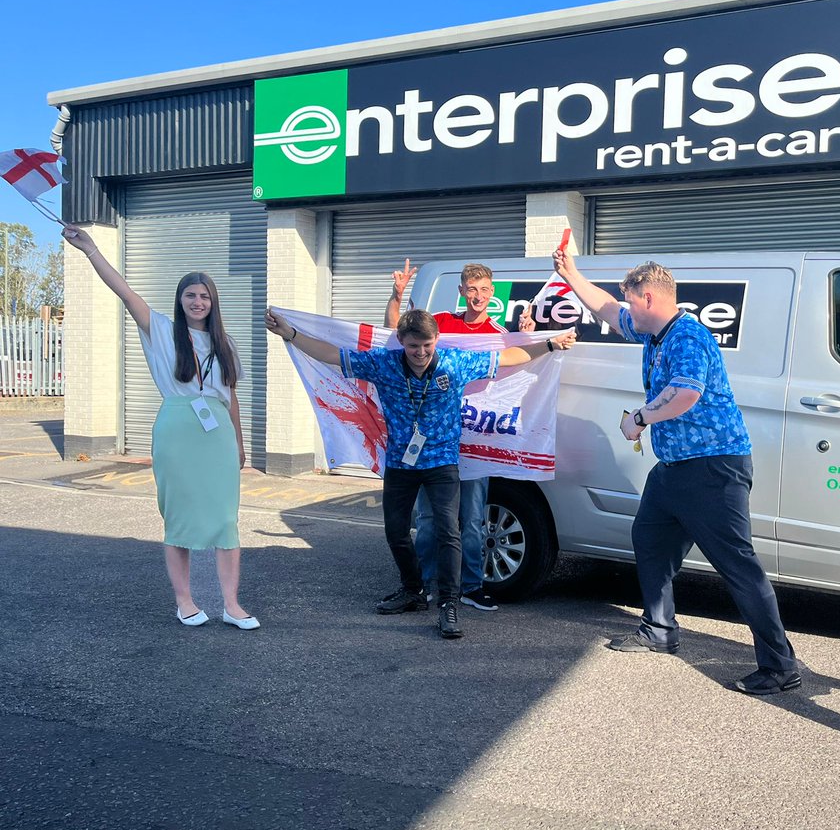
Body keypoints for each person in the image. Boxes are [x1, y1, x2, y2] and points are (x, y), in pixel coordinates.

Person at [553, 251, 800, 695]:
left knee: (738, 565)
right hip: (675, 469)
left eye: (631, 302)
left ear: (648, 297)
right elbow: (606, 309)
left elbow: (686, 393)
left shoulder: (687, 337)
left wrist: (640, 419)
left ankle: (781, 665)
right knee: (650, 538)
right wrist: (572, 276)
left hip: (712, 468)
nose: (625, 310)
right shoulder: (655, 331)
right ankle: (660, 628)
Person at [265, 305, 575, 639]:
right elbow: (333, 355)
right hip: (400, 463)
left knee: (448, 532)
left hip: (442, 464)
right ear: (401, 341)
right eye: (414, 346)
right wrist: (291, 335)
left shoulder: (455, 363)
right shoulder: (384, 365)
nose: (421, 352)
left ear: (436, 339)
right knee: (396, 531)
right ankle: (413, 590)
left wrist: (550, 344)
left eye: (427, 345)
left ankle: (449, 604)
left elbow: (508, 357)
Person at [62, 225, 258, 630]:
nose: (198, 301)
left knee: (225, 518)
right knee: (180, 517)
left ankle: (232, 604)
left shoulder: (226, 343)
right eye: (191, 295)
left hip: (217, 431)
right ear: (180, 299)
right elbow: (125, 292)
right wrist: (92, 250)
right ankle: (184, 601)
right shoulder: (162, 330)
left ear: (213, 302)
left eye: (204, 296)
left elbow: (231, 397)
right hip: (177, 428)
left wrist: (239, 443)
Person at [384, 260, 533, 612]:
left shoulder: (498, 333)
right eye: (471, 289)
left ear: (491, 293)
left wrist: (528, 334)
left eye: (484, 290)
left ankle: (470, 586)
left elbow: (520, 360)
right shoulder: (443, 326)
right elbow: (395, 333)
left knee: (472, 520)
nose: (478, 296)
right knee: (429, 520)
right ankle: (423, 585)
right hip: (434, 445)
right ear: (462, 291)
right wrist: (397, 293)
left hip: (477, 440)